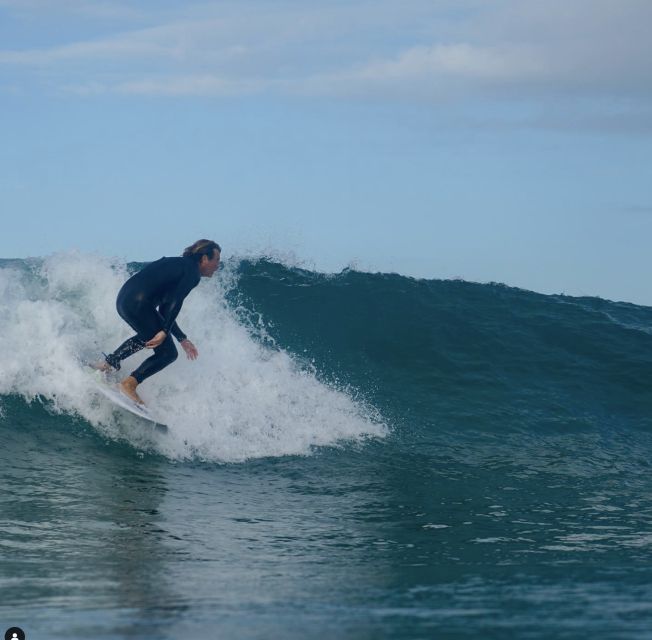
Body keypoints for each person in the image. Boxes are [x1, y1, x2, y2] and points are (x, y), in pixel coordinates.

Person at [96, 239, 221, 405]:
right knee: (168, 353)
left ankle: (107, 365)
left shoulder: (179, 265)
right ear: (204, 258)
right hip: (139, 303)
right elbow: (175, 303)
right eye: (216, 260)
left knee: (148, 335)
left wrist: (181, 338)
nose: (218, 265)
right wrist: (164, 331)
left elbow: (164, 310)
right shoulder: (192, 272)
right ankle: (129, 384)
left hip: (125, 300)